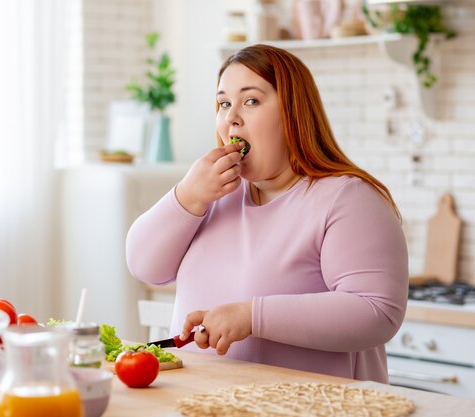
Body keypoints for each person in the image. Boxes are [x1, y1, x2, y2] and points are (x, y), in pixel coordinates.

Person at [126, 44, 408, 383]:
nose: (231, 116)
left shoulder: (348, 198)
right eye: (224, 103)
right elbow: (144, 266)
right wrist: (187, 195)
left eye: (251, 101)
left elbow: (376, 313)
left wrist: (251, 317)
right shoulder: (211, 195)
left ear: (293, 113)